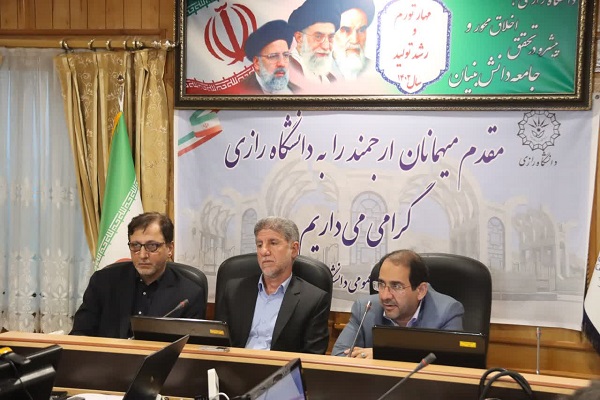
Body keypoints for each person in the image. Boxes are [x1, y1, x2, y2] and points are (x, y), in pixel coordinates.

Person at [70, 212, 206, 338]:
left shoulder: (189, 294)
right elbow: (80, 333)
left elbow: (191, 348)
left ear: (169, 249)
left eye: (152, 246)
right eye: (135, 245)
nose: (142, 255)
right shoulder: (103, 282)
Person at [215, 216, 330, 354]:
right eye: (259, 245)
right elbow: (218, 343)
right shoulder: (234, 290)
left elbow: (312, 357)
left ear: (294, 249)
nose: (264, 251)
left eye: (273, 243)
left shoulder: (313, 300)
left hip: (280, 367)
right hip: (235, 364)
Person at [332, 249, 464, 358]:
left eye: (396, 286)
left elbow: (452, 363)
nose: (385, 296)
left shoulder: (447, 312)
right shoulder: (365, 309)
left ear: (421, 291)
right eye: (381, 284)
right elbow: (338, 356)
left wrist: (382, 356)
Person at [287, 0, 342, 88]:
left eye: (330, 37)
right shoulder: (286, 73)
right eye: (318, 37)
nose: (326, 46)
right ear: (299, 38)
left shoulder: (330, 79)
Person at [240, 20, 300, 95]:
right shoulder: (238, 92)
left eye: (285, 55)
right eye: (273, 56)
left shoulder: (298, 92)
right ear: (257, 63)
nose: (282, 63)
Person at [332, 0, 376, 81]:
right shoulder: (316, 73)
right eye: (346, 30)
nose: (355, 40)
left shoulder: (376, 71)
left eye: (361, 30)